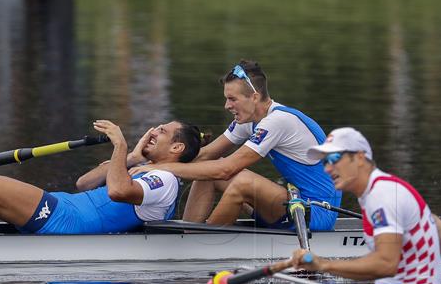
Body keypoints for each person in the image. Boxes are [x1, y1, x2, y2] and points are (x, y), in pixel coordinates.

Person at [279, 127, 441, 284]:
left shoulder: (381, 195)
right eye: (324, 162)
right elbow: (435, 224)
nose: (327, 168)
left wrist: (323, 264)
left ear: (360, 158)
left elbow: (386, 264)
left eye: (334, 158)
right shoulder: (382, 188)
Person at [132, 60, 342, 231]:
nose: (227, 106)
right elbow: (204, 156)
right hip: (290, 205)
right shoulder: (249, 119)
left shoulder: (279, 121)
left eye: (232, 99)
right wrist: (140, 161)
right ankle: (189, 232)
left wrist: (159, 167)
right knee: (210, 169)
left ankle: (202, 246)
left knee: (240, 181)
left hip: (315, 213)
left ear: (254, 97)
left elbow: (227, 170)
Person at [0, 120, 207, 235]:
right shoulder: (142, 168)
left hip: (68, 221)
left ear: (177, 148)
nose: (154, 132)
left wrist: (120, 145)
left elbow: (117, 192)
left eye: (163, 132)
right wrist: (132, 157)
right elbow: (85, 183)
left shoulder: (165, 181)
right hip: (64, 207)